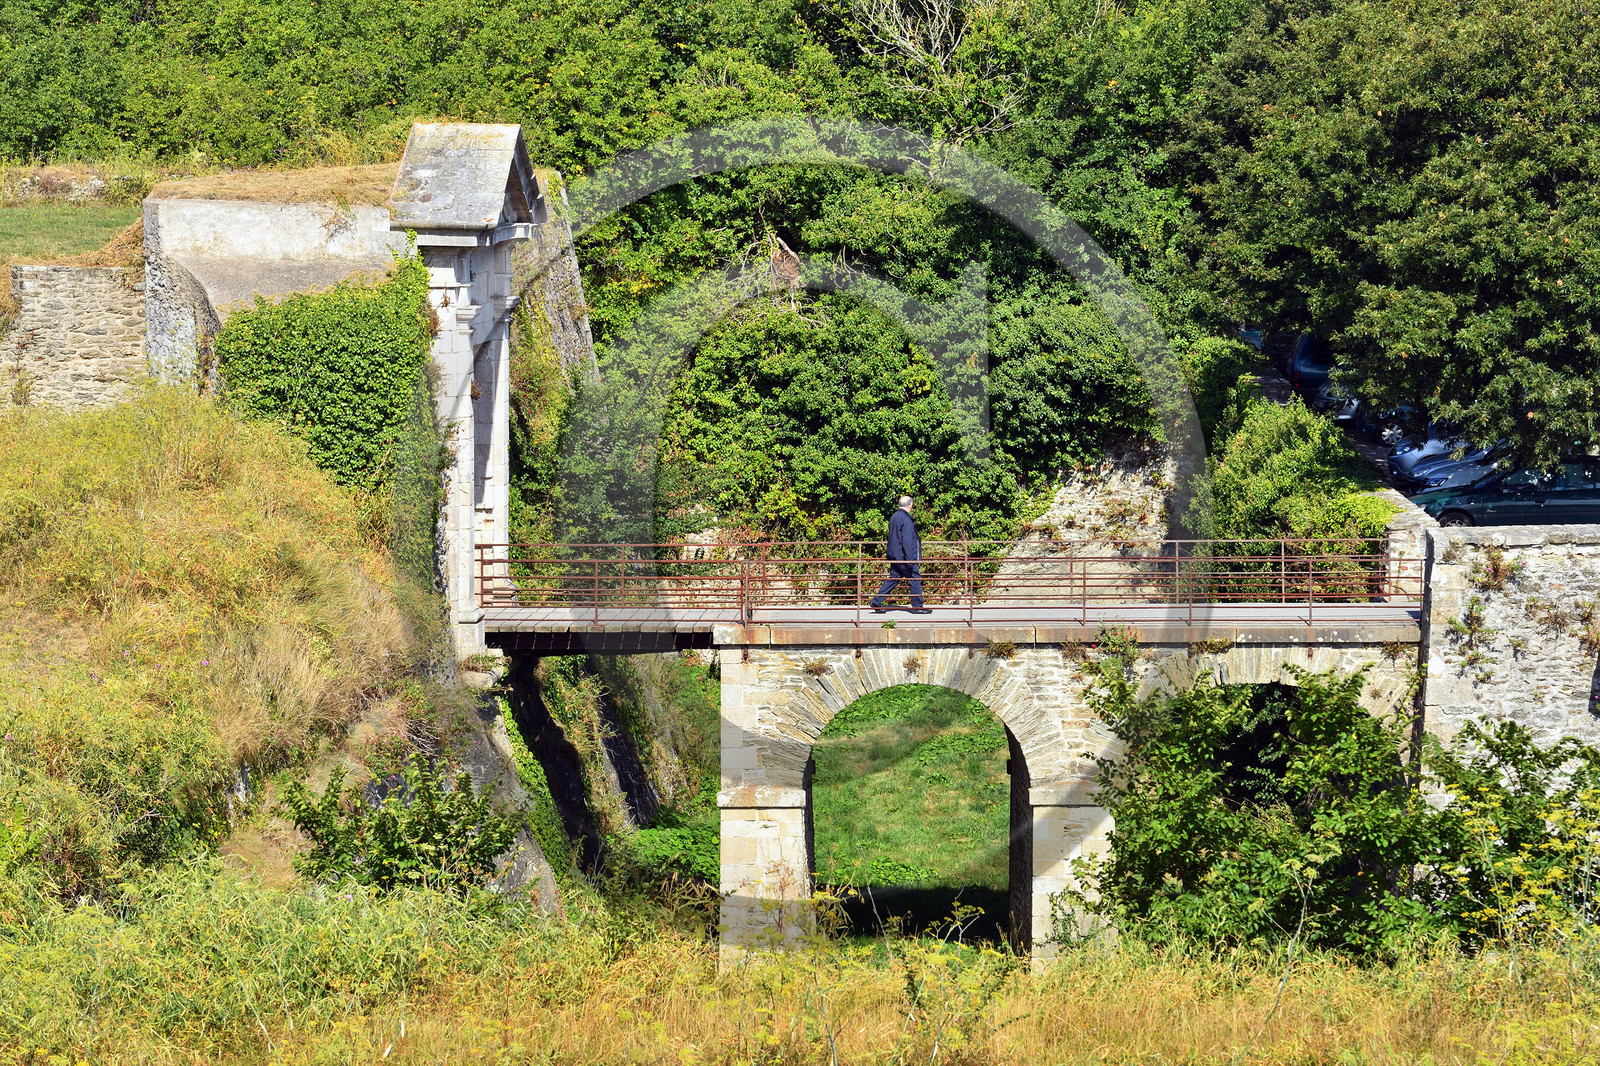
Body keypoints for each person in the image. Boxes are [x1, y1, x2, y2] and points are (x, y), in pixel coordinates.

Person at [870, 495, 930, 613]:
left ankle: (876, 601)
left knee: (894, 578)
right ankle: (918, 607)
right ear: (910, 505)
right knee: (915, 578)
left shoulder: (894, 517)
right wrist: (910, 559)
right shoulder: (906, 519)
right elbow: (907, 541)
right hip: (903, 557)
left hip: (894, 555)